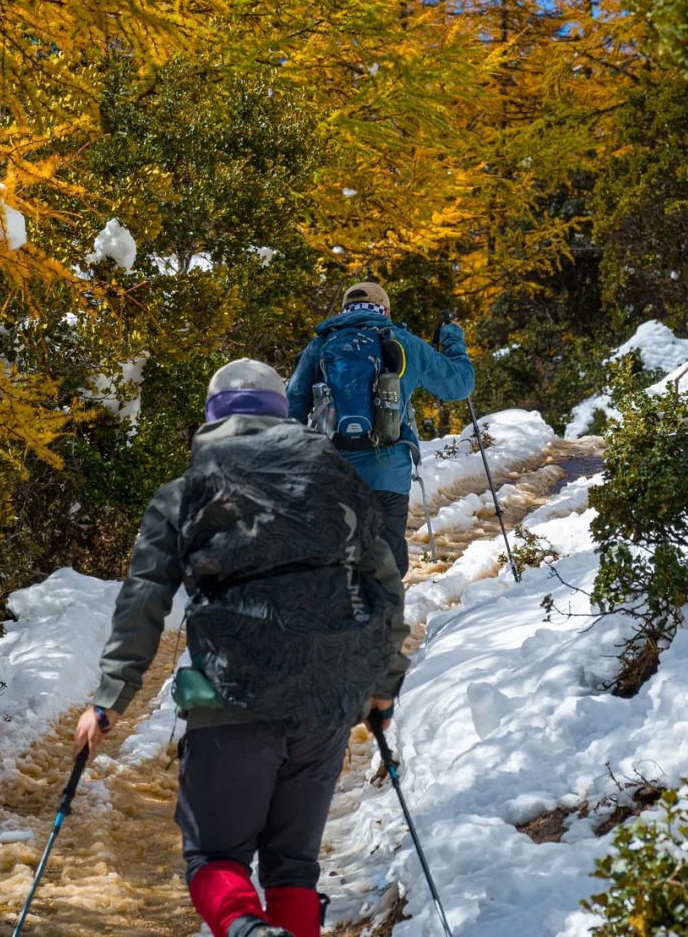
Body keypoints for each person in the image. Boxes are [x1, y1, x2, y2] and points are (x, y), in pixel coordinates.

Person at [74, 357, 409, 937]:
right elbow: (385, 586)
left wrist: (111, 698)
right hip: (326, 701)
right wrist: (383, 686)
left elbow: (144, 598)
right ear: (283, 417)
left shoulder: (183, 494)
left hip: (231, 698)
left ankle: (246, 931)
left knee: (215, 859)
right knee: (294, 871)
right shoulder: (336, 487)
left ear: (212, 419)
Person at [287, 282, 474, 577]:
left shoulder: (320, 346)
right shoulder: (403, 342)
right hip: (387, 472)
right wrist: (451, 338)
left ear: (345, 310)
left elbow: (291, 409)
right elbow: (460, 385)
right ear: (385, 311)